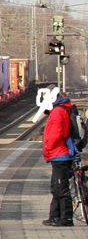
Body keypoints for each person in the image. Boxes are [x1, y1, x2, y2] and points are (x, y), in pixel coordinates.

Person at [42, 86, 77, 226]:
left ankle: (66, 218)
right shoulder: (58, 110)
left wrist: (48, 147)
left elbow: (56, 133)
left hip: (59, 154)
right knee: (56, 186)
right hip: (58, 154)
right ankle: (55, 216)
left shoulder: (58, 112)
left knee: (61, 187)